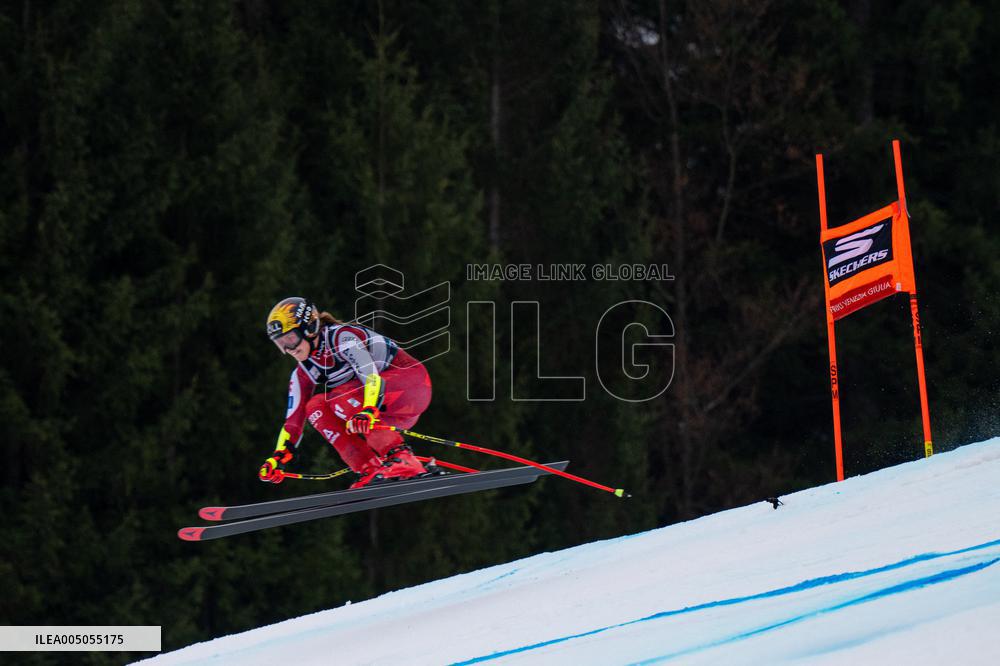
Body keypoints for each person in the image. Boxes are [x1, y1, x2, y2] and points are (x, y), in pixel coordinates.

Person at [259, 296, 433, 488]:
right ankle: (369, 468)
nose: (288, 349)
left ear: (310, 328)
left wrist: (368, 410)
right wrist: (278, 457)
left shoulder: (342, 338)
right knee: (315, 407)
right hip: (384, 411)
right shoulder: (303, 372)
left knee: (339, 398)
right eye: (281, 343)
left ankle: (401, 458)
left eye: (290, 339)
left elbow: (370, 376)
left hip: (412, 387)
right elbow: (292, 422)